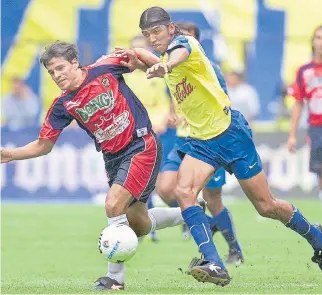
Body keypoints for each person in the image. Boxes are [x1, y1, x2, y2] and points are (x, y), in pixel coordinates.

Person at [117, 7, 322, 287]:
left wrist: (164, 65)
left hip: (231, 134)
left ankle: (316, 236)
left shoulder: (185, 45)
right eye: (147, 35)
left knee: (266, 206)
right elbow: (153, 60)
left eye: (156, 32)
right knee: (184, 191)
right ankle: (214, 262)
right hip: (203, 141)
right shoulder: (163, 56)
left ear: (171, 28)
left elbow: (176, 56)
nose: (152, 38)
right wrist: (133, 59)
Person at [0, 41, 189, 291]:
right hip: (112, 158)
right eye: (51, 72)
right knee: (139, 224)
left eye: (60, 68)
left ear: (75, 62)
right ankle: (193, 216)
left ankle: (115, 279)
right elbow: (43, 145)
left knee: (113, 204)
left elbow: (145, 63)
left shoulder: (105, 67)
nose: (57, 75)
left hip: (141, 145)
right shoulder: (63, 104)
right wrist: (10, 154)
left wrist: (145, 62)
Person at [156, 22, 244, 264]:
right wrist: (172, 113)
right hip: (184, 140)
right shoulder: (171, 70)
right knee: (164, 188)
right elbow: (176, 97)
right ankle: (196, 218)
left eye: (188, 38)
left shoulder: (209, 69)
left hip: (208, 140)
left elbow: (222, 101)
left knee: (214, 199)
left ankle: (234, 248)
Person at [287, 25, 322, 244]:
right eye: (319, 38)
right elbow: (298, 103)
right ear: (313, 41)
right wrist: (292, 135)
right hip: (315, 130)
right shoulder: (304, 71)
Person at [124, 35, 170, 242]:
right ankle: (142, 225)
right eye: (135, 49)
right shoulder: (124, 75)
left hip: (154, 129)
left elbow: (164, 101)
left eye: (142, 50)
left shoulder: (156, 74)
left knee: (156, 182)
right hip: (131, 131)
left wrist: (160, 120)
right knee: (138, 181)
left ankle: (147, 225)